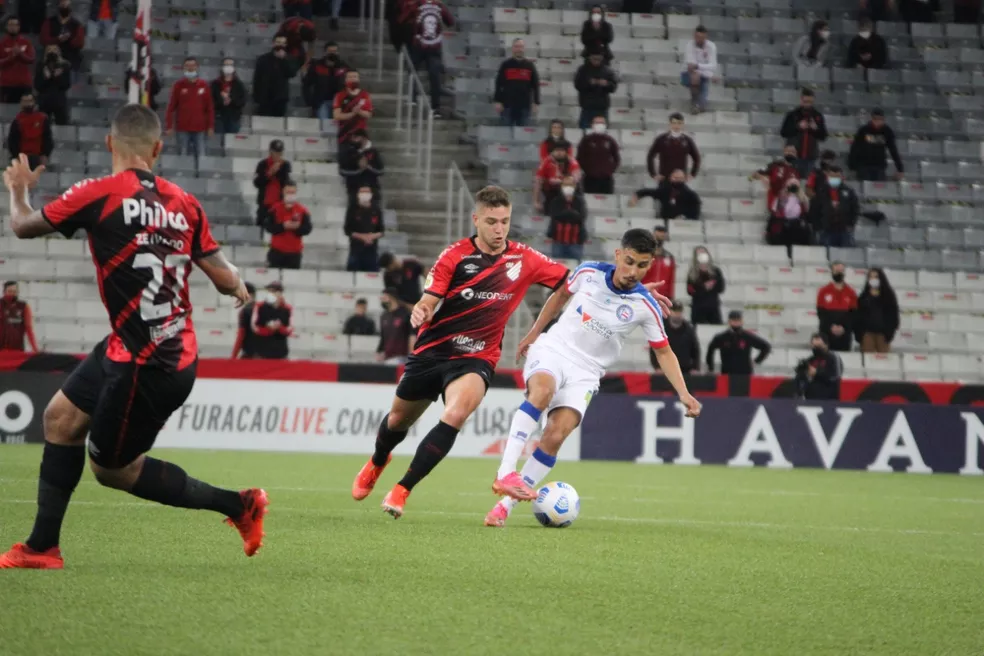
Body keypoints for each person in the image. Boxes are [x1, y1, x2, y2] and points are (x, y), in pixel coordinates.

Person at [0, 104, 264, 570]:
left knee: (112, 470)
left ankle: (238, 505)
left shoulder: (98, 194)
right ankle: (42, 547)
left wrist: (18, 191)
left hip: (149, 364)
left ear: (109, 145)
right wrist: (238, 285)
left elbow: (22, 226)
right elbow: (225, 278)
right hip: (145, 345)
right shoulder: (185, 203)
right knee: (60, 418)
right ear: (158, 149)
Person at [349, 186, 574, 519]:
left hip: (476, 358)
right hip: (433, 351)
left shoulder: (525, 258)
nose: (499, 230)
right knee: (398, 420)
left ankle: (402, 489)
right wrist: (422, 310)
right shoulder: (454, 256)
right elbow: (430, 297)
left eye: (505, 221)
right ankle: (379, 460)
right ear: (476, 219)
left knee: (455, 414)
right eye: (492, 221)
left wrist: (626, 288)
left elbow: (570, 281)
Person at [486, 230, 700, 526]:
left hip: (587, 373)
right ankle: (505, 473)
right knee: (542, 392)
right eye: (629, 261)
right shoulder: (588, 272)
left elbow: (664, 353)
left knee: (556, 435)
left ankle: (504, 508)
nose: (634, 271)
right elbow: (561, 294)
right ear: (617, 255)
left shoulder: (645, 305)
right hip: (554, 349)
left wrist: (684, 393)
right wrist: (534, 333)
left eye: (642, 265)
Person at [165, 58, 214, 159]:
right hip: (182, 128)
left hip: (200, 128)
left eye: (192, 65)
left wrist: (210, 126)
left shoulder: (204, 85)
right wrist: (169, 126)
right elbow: (171, 108)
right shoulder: (178, 85)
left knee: (202, 155)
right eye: (188, 65)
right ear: (183, 68)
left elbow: (209, 108)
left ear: (197, 67)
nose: (190, 68)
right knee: (182, 156)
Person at [410, 0, 453, 116]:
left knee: (435, 75)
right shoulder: (416, 4)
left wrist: (443, 9)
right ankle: (412, 98)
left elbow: (450, 22)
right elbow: (405, 20)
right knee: (411, 70)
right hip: (418, 45)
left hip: (434, 48)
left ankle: (435, 107)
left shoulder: (439, 6)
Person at [263, 180, 313, 270]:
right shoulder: (275, 209)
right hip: (277, 251)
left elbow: (308, 229)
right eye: (288, 192)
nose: (290, 195)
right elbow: (268, 227)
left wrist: (297, 228)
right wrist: (283, 226)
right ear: (283, 192)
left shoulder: (302, 210)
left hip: (294, 252)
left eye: (293, 193)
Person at [779, 88, 828, 179]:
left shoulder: (817, 116)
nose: (808, 104)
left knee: (808, 183)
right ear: (801, 100)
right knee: (792, 181)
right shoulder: (792, 115)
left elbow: (823, 136)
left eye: (810, 102)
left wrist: (815, 129)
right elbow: (783, 132)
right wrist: (798, 127)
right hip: (793, 156)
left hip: (811, 156)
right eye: (806, 101)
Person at [705, 311, 771, 375]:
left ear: (742, 322)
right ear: (729, 322)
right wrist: (710, 367)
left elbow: (766, 346)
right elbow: (710, 349)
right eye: (734, 320)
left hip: (745, 373)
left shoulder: (747, 336)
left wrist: (756, 361)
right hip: (727, 373)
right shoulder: (721, 337)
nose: (736, 323)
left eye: (738, 320)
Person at [494, 38, 540, 128]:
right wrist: (498, 101)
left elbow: (536, 85)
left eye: (521, 47)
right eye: (516, 46)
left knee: (523, 135)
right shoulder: (505, 65)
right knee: (506, 133)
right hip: (507, 106)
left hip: (525, 106)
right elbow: (498, 84)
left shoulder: (530, 66)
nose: (519, 49)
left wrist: (536, 102)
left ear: (524, 48)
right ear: (512, 48)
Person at [810, 165, 860, 247]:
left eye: (837, 176)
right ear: (828, 177)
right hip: (826, 230)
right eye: (832, 176)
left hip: (844, 230)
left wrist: (851, 224)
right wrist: (818, 227)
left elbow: (855, 209)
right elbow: (814, 210)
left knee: (846, 255)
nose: (834, 179)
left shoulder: (849, 191)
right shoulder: (821, 192)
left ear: (841, 177)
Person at [848, 109, 903, 182]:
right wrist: (852, 166)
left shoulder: (887, 131)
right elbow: (854, 148)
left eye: (880, 119)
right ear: (871, 119)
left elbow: (893, 150)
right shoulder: (863, 130)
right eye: (875, 119)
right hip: (863, 165)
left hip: (879, 166)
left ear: (883, 120)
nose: (877, 121)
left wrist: (900, 168)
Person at [303, 41, 349, 128]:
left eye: (335, 51)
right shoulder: (316, 66)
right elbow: (306, 84)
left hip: (339, 103)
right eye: (330, 51)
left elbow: (350, 84)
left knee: (339, 128)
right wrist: (310, 101)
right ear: (325, 53)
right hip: (321, 102)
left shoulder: (344, 67)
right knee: (325, 127)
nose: (333, 54)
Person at [854, 267, 899, 354]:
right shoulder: (863, 297)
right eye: (871, 277)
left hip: (883, 335)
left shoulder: (889, 296)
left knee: (884, 362)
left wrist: (889, 334)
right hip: (867, 335)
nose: (873, 279)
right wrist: (860, 335)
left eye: (876, 277)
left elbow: (894, 316)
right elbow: (857, 317)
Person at [252, 35, 299, 118]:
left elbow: (292, 74)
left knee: (278, 124)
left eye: (283, 43)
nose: (280, 45)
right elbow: (257, 78)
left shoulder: (290, 58)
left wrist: (284, 59)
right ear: (273, 43)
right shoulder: (263, 59)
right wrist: (257, 97)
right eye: (278, 42)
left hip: (281, 98)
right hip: (265, 97)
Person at [628, 169, 702, 221]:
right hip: (664, 222)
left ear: (684, 179)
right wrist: (636, 196)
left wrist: (684, 218)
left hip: (682, 225)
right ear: (670, 178)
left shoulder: (692, 195)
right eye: (675, 178)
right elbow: (648, 191)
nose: (678, 180)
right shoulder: (665, 190)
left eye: (680, 178)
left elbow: (695, 214)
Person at [816, 261, 858, 352]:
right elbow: (821, 313)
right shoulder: (823, 291)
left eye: (841, 271)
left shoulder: (851, 292)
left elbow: (853, 314)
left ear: (844, 272)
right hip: (827, 333)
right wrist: (831, 326)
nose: (839, 273)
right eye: (836, 270)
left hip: (844, 334)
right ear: (831, 272)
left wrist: (844, 327)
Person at [646, 113, 701, 183]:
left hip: (680, 180)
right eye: (674, 123)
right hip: (664, 179)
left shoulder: (688, 140)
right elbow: (650, 156)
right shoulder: (661, 139)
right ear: (670, 124)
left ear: (683, 124)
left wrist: (693, 174)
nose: (676, 126)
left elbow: (696, 158)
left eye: (679, 123)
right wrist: (653, 174)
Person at [649, 300, 700, 375]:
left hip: (684, 370)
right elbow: (654, 349)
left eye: (679, 311)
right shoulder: (662, 328)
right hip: (665, 370)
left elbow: (695, 350)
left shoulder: (689, 329)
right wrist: (657, 367)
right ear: (670, 311)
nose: (677, 314)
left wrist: (695, 368)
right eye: (674, 311)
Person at [573, 47, 617, 130]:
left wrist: (605, 84)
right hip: (587, 107)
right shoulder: (582, 70)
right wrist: (590, 83)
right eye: (594, 59)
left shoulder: (607, 71)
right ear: (590, 57)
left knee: (602, 133)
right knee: (584, 132)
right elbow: (577, 85)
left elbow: (613, 87)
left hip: (602, 108)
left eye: (598, 59)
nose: (596, 61)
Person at [7, 93, 54, 170]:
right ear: (21, 103)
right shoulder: (17, 120)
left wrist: (45, 154)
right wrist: (15, 156)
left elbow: (47, 138)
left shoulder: (42, 119)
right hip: (22, 157)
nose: (27, 103)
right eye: (25, 101)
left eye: (29, 101)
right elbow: (12, 140)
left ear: (34, 102)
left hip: (38, 157)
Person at [546, 176, 588, 261]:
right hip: (558, 240)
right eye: (565, 184)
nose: (568, 187)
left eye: (570, 185)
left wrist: (564, 215)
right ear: (561, 186)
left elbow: (581, 217)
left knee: (575, 269)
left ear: (575, 186)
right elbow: (555, 215)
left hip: (575, 241)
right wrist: (571, 214)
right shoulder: (556, 200)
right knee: (557, 269)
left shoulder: (580, 201)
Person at [344, 185, 385, 272]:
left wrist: (371, 236)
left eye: (367, 192)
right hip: (356, 249)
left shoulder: (376, 210)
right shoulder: (352, 209)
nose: (365, 194)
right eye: (362, 192)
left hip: (372, 250)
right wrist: (362, 237)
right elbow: (347, 230)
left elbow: (381, 230)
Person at [576, 115, 620, 194]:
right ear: (592, 125)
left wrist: (610, 170)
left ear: (605, 125)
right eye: (597, 122)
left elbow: (616, 158)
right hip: (590, 179)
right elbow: (580, 157)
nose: (599, 125)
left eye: (602, 123)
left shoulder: (610, 140)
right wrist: (587, 170)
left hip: (606, 179)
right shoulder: (586, 140)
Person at [338, 129, 384, 203]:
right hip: (354, 189)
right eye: (352, 137)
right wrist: (359, 170)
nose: (353, 139)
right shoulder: (348, 152)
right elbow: (342, 171)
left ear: (364, 138)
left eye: (356, 137)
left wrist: (368, 167)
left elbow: (381, 171)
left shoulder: (374, 152)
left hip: (371, 188)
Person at [534, 140, 581, 212]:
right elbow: (538, 181)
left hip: (568, 191)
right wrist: (536, 201)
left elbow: (575, 180)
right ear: (552, 152)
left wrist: (561, 181)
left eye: (561, 150)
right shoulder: (546, 162)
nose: (559, 153)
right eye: (556, 150)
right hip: (551, 191)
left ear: (566, 152)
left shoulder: (572, 162)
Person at [253, 139, 292, 226]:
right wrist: (269, 173)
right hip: (264, 204)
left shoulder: (285, 165)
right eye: (276, 152)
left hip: (279, 204)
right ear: (270, 151)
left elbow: (287, 183)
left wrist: (279, 171)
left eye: (280, 152)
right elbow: (257, 183)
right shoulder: (262, 164)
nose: (278, 155)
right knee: (262, 227)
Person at [251, 281, 293, 360]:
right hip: (262, 352)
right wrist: (268, 329)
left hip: (280, 353)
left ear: (280, 293)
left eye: (273, 291)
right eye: (269, 291)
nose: (270, 294)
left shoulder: (287, 308)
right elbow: (254, 327)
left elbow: (290, 329)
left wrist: (279, 328)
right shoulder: (259, 306)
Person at [794, 333, 843, 401]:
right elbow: (801, 380)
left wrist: (817, 373)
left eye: (819, 346)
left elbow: (835, 376)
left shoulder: (833, 357)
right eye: (814, 346)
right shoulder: (810, 360)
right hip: (811, 399)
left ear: (826, 345)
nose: (816, 349)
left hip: (829, 400)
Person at [40, 0, 85, 73]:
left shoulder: (77, 25)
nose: (65, 6)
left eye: (67, 5)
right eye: (63, 4)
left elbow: (80, 43)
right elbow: (43, 39)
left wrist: (69, 38)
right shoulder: (49, 22)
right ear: (58, 6)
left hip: (71, 60)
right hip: (52, 60)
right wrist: (57, 39)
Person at [765, 179, 810, 251]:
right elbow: (774, 213)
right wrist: (783, 196)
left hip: (798, 229)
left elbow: (807, 211)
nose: (792, 189)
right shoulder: (780, 198)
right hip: (783, 228)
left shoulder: (802, 198)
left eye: (795, 187)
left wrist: (803, 197)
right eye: (790, 186)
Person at [751, 144, 800, 208]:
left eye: (792, 152)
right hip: (774, 203)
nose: (790, 153)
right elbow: (753, 175)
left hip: (789, 206)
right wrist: (763, 178)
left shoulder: (798, 169)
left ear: (796, 154)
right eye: (788, 151)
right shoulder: (775, 165)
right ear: (784, 152)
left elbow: (798, 190)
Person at [0, 18, 36, 104]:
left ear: (19, 27)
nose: (13, 27)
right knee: (6, 112)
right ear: (6, 27)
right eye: (10, 25)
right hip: (7, 84)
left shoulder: (26, 42)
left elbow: (31, 59)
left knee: (25, 110)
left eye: (15, 25)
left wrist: (20, 54)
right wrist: (10, 57)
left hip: (24, 83)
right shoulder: (2, 43)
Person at [686, 246, 725, 325]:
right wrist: (704, 287)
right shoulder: (692, 273)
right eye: (699, 254)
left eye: (703, 253)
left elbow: (721, 288)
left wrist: (713, 285)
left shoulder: (716, 271)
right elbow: (690, 291)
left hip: (713, 307)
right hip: (698, 308)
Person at [682, 26, 717, 114]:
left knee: (703, 105)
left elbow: (713, 65)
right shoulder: (689, 46)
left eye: (702, 38)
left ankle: (700, 104)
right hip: (687, 75)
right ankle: (694, 103)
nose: (699, 40)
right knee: (695, 75)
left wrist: (699, 67)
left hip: (704, 75)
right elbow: (691, 66)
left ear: (706, 37)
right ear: (694, 36)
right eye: (697, 37)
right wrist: (710, 75)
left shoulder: (711, 46)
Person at [333, 69, 373, 145]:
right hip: (344, 133)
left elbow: (368, 115)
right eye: (350, 77)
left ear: (358, 79)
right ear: (345, 80)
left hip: (361, 133)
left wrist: (359, 111)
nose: (353, 79)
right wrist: (352, 113)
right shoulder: (339, 95)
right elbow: (337, 116)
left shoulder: (365, 95)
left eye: (355, 77)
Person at [34, 46, 72, 126]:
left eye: (54, 50)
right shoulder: (41, 66)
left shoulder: (65, 66)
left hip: (59, 101)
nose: (52, 52)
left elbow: (66, 85)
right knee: (42, 125)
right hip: (44, 101)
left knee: (62, 125)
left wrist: (57, 77)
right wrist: (46, 78)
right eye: (49, 50)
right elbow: (37, 85)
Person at [376, 288, 414, 364]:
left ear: (392, 297)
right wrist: (379, 351)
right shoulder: (384, 316)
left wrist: (411, 357)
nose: (381, 298)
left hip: (401, 357)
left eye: (384, 296)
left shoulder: (405, 314)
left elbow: (412, 336)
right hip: (387, 358)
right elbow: (383, 337)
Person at [211, 59, 247, 136]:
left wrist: (231, 101)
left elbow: (242, 101)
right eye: (226, 65)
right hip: (219, 117)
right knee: (218, 141)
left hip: (233, 118)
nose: (228, 67)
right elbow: (210, 102)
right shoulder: (215, 84)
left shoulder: (239, 85)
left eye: (230, 65)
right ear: (222, 67)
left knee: (231, 141)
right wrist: (221, 102)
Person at [0, 281, 39, 352]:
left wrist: (35, 349)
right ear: (4, 292)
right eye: (10, 291)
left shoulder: (23, 307)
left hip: (18, 349)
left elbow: (29, 329)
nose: (12, 294)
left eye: (15, 291)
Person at [641, 224, 675, 300]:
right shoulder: (644, 255)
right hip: (645, 295)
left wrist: (670, 297)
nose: (659, 239)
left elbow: (671, 280)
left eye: (662, 237)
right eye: (657, 236)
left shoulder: (669, 257)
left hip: (662, 297)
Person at [231, 282, 258, 359]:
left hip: (250, 355)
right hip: (263, 355)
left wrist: (233, 356)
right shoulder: (262, 308)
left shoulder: (245, 312)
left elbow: (241, 335)